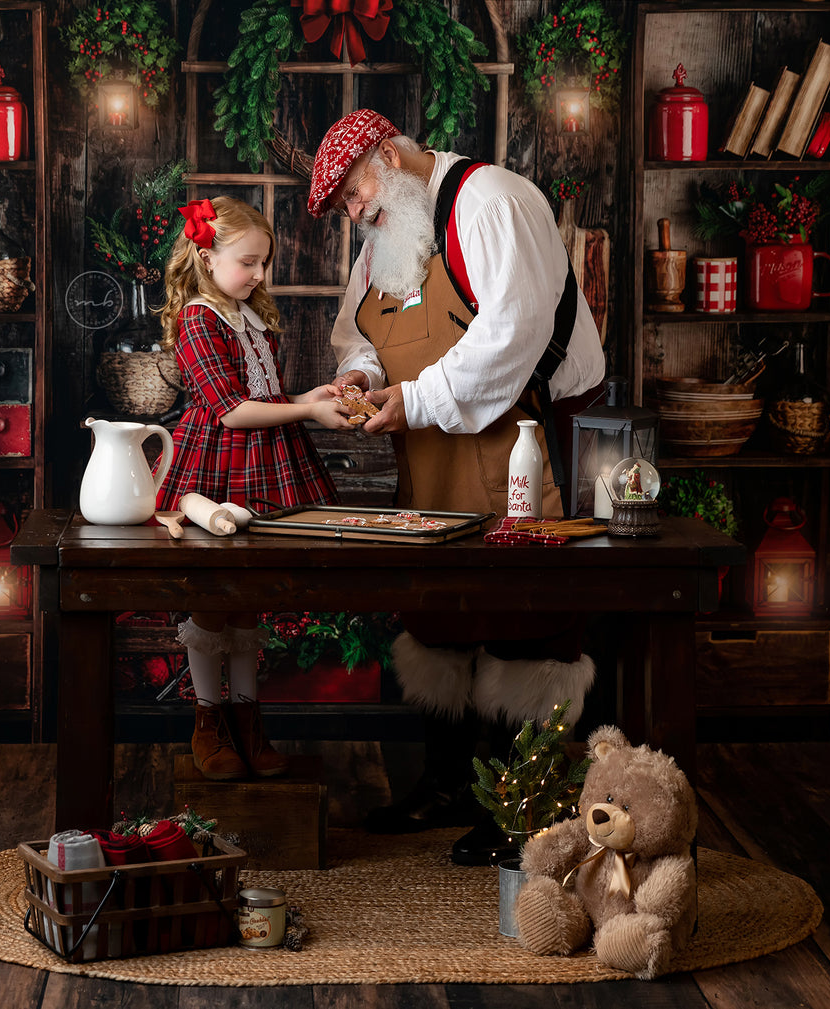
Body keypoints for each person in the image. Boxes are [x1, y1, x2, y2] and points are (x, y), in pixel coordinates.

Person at [307, 110, 608, 863]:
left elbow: (511, 336)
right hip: (431, 440)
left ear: (390, 153)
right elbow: (360, 332)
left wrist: (412, 400)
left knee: (525, 615)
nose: (355, 212)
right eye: (345, 204)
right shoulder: (387, 235)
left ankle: (522, 807)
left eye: (352, 192)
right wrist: (360, 377)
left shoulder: (491, 202)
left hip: (525, 430)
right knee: (437, 606)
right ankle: (444, 784)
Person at [155, 195, 356, 781]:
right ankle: (208, 717)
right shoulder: (198, 318)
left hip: (266, 462)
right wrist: (307, 415)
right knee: (212, 596)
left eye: (264, 262)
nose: (260, 274)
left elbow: (265, 401)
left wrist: (309, 398)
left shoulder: (250, 315)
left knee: (248, 597)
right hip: (219, 465)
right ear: (207, 256)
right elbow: (230, 412)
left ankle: (248, 717)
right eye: (249, 262)